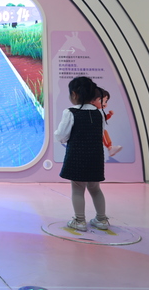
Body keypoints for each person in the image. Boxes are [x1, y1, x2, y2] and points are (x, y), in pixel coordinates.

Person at [54, 76, 110, 232]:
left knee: (78, 188)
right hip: (96, 156)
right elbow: (100, 134)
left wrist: (58, 136)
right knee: (95, 188)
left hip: (77, 155)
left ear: (74, 94)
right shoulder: (99, 113)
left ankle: (79, 221)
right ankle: (102, 219)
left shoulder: (70, 112)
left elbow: (62, 136)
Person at [91, 87, 122, 157]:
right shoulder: (92, 112)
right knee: (103, 132)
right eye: (101, 101)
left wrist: (109, 115)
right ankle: (110, 148)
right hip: (92, 132)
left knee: (104, 132)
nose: (104, 104)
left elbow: (103, 118)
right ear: (92, 101)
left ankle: (110, 147)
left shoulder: (98, 112)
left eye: (106, 101)